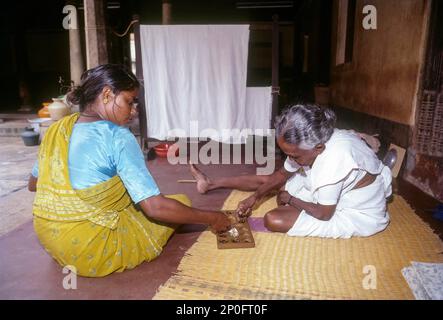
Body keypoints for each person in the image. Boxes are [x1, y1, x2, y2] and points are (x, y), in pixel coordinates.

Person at [28, 64, 231, 277]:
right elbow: (155, 207)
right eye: (129, 101)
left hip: (49, 238)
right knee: (180, 202)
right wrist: (213, 218)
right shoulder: (117, 136)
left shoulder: (56, 130)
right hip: (90, 248)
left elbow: (34, 185)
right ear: (107, 94)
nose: (134, 111)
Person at [190, 104, 392, 239]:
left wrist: (290, 199)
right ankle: (211, 183)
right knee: (278, 182)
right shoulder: (316, 141)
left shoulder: (333, 159)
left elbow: (323, 214)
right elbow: (281, 174)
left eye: (295, 156)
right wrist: (254, 198)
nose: (291, 160)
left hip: (357, 214)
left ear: (318, 148)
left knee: (274, 219)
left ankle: (213, 184)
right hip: (333, 193)